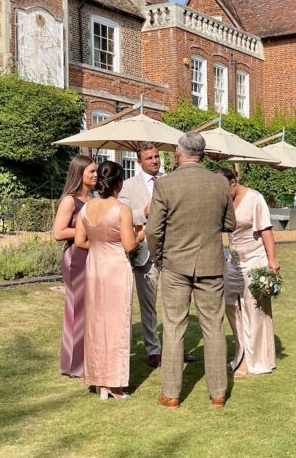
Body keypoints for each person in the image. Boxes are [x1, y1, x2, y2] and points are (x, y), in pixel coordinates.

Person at [146, 131, 236, 409]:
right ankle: (218, 393)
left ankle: (171, 394)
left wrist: (158, 257)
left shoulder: (165, 184)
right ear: (203, 154)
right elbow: (230, 224)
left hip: (174, 263)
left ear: (178, 151)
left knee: (174, 327)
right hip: (210, 262)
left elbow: (152, 230)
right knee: (213, 327)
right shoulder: (220, 183)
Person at [118, 143, 198, 369]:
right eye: (149, 158)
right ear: (139, 162)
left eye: (156, 157)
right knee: (149, 305)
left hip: (174, 251)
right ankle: (153, 350)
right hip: (145, 254)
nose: (154, 161)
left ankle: (176, 348)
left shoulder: (171, 180)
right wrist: (142, 213)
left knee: (177, 304)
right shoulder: (128, 186)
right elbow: (120, 215)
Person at [74, 160, 145, 400]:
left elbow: (80, 242)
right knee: (116, 325)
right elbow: (129, 245)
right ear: (119, 183)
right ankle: (113, 384)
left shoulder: (86, 208)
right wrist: (141, 234)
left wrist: (99, 245)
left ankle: (97, 378)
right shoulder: (121, 209)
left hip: (94, 267)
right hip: (115, 269)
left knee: (96, 324)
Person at [217, 168, 279, 378]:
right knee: (228, 303)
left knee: (255, 311)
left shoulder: (254, 198)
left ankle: (252, 361)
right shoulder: (224, 200)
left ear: (234, 181)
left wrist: (272, 261)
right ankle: (241, 352)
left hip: (255, 260)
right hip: (233, 261)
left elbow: (266, 231)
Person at [53, 155, 97, 377]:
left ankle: (85, 359)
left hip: (92, 257)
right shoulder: (70, 200)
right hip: (75, 258)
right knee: (76, 309)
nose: (96, 175)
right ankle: (73, 364)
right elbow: (58, 232)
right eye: (91, 172)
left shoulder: (94, 198)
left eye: (96, 171)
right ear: (80, 174)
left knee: (89, 310)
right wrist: (88, 230)